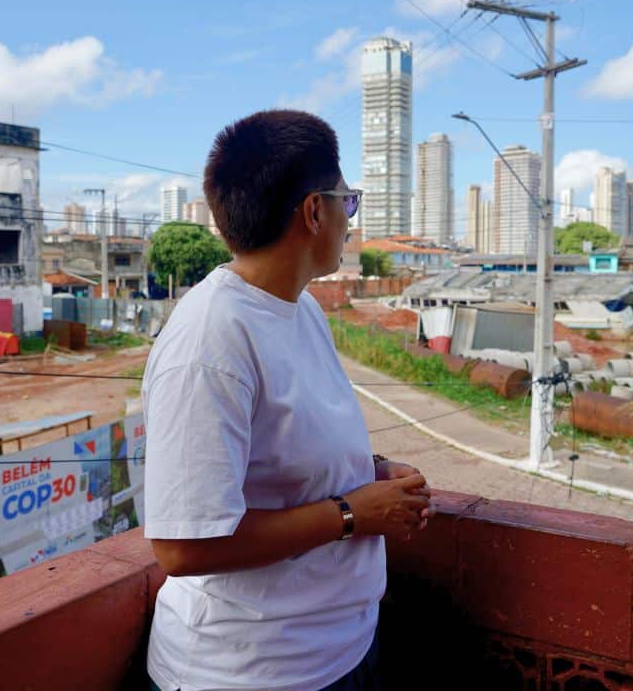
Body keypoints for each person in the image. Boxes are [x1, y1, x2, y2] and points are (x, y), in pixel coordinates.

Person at [140, 110, 434, 691]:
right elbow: (181, 545)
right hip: (247, 673)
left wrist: (370, 473)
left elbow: (280, 456)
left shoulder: (302, 309)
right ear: (313, 211)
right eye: (347, 203)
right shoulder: (210, 340)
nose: (348, 222)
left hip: (341, 649)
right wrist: (354, 514)